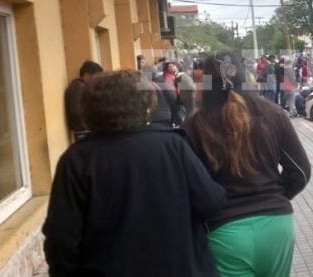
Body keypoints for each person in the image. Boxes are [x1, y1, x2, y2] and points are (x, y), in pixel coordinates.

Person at [43, 70, 226, 276]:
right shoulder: (173, 146)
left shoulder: (76, 159)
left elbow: (61, 239)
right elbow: (211, 202)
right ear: (146, 106)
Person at [183, 54, 311, 277]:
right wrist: (272, 197)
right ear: (244, 75)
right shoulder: (273, 113)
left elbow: (191, 187)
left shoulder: (194, 125)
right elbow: (300, 172)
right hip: (277, 225)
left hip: (226, 233)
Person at [64, 60, 103, 138]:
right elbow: (76, 111)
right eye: (95, 77)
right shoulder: (78, 87)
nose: (97, 80)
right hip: (83, 131)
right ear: (86, 75)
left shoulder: (81, 87)